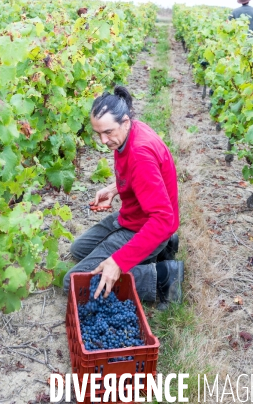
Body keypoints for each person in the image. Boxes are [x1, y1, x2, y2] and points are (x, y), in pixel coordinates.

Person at [63, 86, 184, 309]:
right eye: (98, 133)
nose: (102, 140)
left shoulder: (140, 155)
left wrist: (118, 261)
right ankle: (166, 246)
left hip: (146, 226)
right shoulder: (131, 131)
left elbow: (163, 220)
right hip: (132, 215)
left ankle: (164, 275)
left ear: (125, 122)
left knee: (72, 282)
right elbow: (143, 177)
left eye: (108, 132)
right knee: (77, 250)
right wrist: (114, 188)